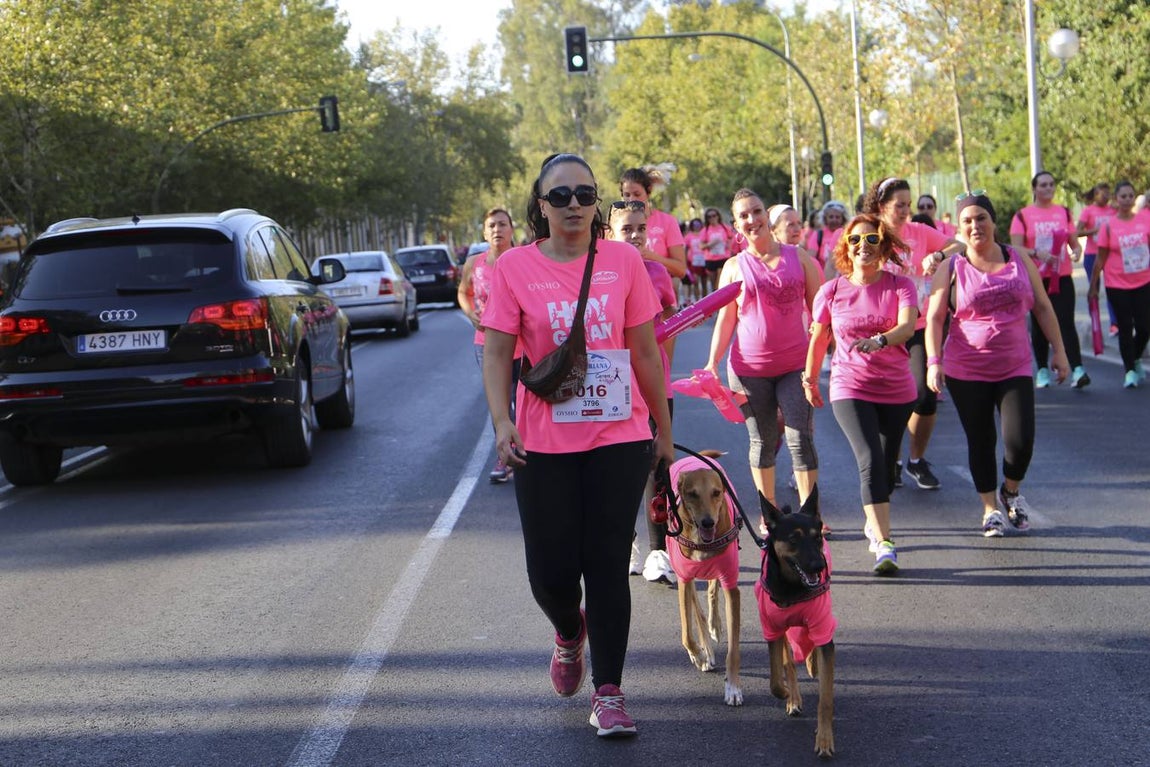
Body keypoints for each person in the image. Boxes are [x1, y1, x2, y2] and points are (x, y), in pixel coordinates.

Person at [482, 153, 673, 738]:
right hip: (544, 442)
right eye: (559, 196)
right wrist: (501, 422)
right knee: (551, 573)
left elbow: (643, 351)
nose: (573, 205)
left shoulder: (623, 262)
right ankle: (570, 631)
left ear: (598, 203)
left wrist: (662, 430)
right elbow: (496, 352)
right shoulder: (513, 267)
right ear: (540, 206)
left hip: (618, 435)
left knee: (609, 565)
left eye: (584, 195)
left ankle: (610, 692)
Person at [925, 192, 1069, 537]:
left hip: (1014, 364)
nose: (975, 226)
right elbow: (933, 318)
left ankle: (1011, 490)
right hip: (966, 368)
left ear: (993, 222)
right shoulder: (952, 267)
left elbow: (1044, 308)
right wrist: (933, 361)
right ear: (960, 229)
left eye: (981, 218)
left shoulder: (1018, 258)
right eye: (968, 221)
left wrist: (1060, 352)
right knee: (981, 439)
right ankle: (990, 508)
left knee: (1020, 441)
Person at [802, 213, 918, 574]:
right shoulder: (832, 290)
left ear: (883, 246)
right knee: (869, 459)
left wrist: (881, 340)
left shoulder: (901, 286)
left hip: (897, 388)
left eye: (871, 240)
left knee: (885, 465)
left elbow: (908, 326)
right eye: (855, 241)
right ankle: (884, 543)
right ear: (845, 248)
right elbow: (820, 336)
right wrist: (809, 377)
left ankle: (874, 518)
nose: (862, 246)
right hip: (849, 385)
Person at [706, 189, 822, 533]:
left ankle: (809, 515)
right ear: (735, 225)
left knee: (800, 438)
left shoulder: (798, 257)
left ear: (766, 216)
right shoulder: (732, 267)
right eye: (743, 216)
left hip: (795, 366)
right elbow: (726, 320)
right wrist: (712, 362)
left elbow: (820, 309)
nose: (752, 220)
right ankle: (769, 515)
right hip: (748, 370)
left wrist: (821, 349)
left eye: (756, 211)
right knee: (763, 440)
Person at [863, 177, 965, 491]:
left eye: (909, 204)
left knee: (923, 394)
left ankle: (916, 460)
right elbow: (845, 266)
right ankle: (889, 459)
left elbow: (958, 243)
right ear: (881, 207)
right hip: (879, 329)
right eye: (900, 206)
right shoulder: (868, 234)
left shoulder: (919, 232)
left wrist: (938, 256)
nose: (907, 211)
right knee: (886, 401)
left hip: (917, 327)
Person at [606, 199, 679, 583]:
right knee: (621, 471)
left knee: (658, 467)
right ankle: (630, 541)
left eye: (640, 228)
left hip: (653, 384)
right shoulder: (599, 272)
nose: (634, 235)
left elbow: (667, 330)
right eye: (626, 229)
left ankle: (658, 550)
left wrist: (663, 377)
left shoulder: (657, 273)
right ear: (609, 233)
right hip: (614, 388)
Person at [1009, 171, 1089, 389]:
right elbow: (1015, 247)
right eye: (1043, 185)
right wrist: (1036, 252)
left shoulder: (1063, 212)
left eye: (1051, 184)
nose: (1048, 188)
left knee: (1066, 322)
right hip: (1036, 278)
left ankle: (1078, 369)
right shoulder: (1023, 215)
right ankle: (1042, 370)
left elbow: (1073, 241)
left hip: (1061, 276)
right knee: (1039, 324)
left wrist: (1077, 251)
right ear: (1034, 189)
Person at [459, 208, 521, 483]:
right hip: (486, 343)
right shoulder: (474, 263)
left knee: (526, 402)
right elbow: (464, 291)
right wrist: (469, 311)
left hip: (523, 343)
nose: (497, 230)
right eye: (492, 225)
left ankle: (532, 452)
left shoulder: (523, 260)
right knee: (500, 404)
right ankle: (505, 456)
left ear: (511, 230)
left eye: (502, 224)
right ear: (485, 233)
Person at [1090, 180, 1150, 388]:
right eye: (1122, 196)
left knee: (1144, 327)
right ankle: (1130, 371)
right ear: (1116, 200)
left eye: (1130, 196)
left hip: (1143, 282)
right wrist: (1093, 287)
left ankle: (1134, 357)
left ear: (1134, 198)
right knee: (1125, 327)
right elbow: (1100, 258)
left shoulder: (1145, 220)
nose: (1126, 200)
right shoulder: (1109, 226)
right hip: (1117, 284)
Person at [1077, 183, 1118, 338]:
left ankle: (1115, 324)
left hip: (1110, 254)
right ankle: (1095, 324)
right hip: (1092, 255)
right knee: (1094, 289)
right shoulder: (1088, 211)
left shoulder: (1113, 210)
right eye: (1103, 193)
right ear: (1095, 195)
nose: (1106, 196)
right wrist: (1094, 231)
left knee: (1113, 288)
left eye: (1108, 193)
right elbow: (1077, 232)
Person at [805, 200, 848, 278]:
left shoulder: (847, 234)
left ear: (843, 219)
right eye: (831, 217)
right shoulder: (818, 234)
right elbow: (811, 257)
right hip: (822, 277)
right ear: (825, 218)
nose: (834, 220)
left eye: (837, 217)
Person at [701, 207, 735, 295]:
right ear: (707, 219)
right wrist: (711, 244)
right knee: (713, 285)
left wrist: (729, 244)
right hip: (710, 259)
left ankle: (722, 303)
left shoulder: (725, 228)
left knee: (720, 283)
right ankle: (716, 303)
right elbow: (701, 246)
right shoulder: (705, 230)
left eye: (714, 215)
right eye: (709, 217)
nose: (712, 218)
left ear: (718, 216)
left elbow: (732, 238)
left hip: (723, 258)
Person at [684, 217, 707, 304]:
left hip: (705, 260)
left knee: (704, 282)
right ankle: (698, 302)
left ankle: (705, 301)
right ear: (692, 226)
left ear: (701, 225)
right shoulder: (688, 236)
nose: (696, 226)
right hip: (693, 262)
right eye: (694, 225)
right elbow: (685, 250)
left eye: (698, 224)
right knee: (696, 282)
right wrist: (685, 262)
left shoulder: (704, 233)